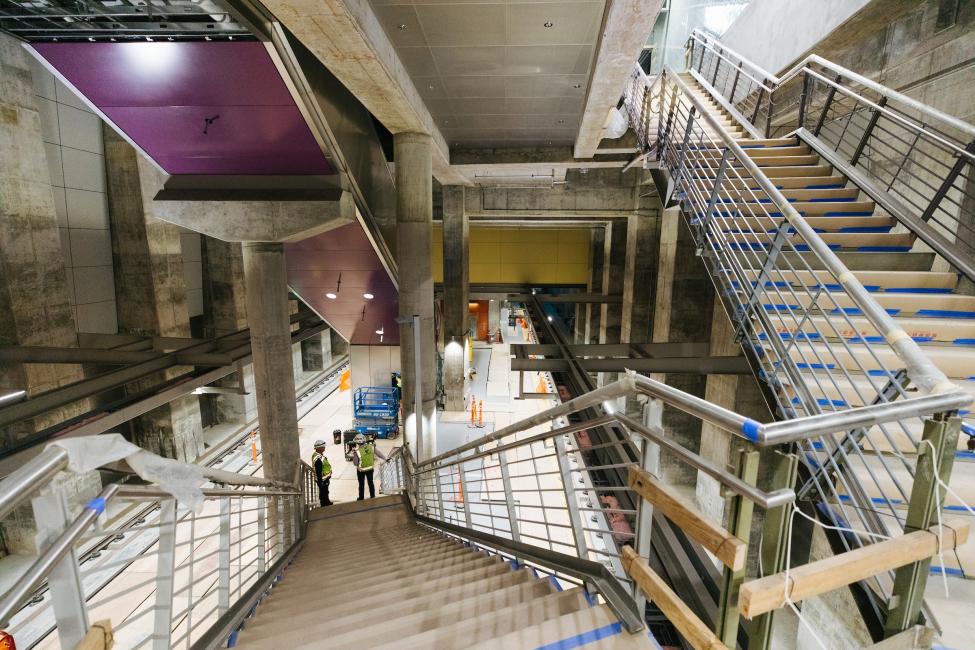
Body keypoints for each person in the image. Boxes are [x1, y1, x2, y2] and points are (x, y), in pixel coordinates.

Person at [352, 433, 387, 500]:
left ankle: (361, 498)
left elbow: (355, 463)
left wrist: (354, 454)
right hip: (370, 469)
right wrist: (385, 458)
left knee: (361, 484)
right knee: (370, 483)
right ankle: (372, 496)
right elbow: (378, 453)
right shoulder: (371, 446)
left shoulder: (357, 451)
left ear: (357, 443)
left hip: (361, 470)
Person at [311, 440, 333, 507]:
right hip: (322, 479)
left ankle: (327, 501)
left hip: (324, 478)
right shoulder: (318, 459)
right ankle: (324, 504)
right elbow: (318, 471)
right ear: (319, 448)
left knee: (325, 491)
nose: (324, 448)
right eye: (323, 447)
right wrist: (320, 482)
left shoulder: (317, 455)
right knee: (323, 492)